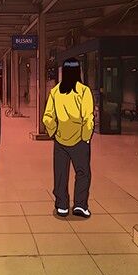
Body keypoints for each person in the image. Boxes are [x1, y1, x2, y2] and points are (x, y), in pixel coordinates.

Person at [42, 59, 94, 216]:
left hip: (60, 140)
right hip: (80, 140)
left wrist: (54, 132)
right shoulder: (84, 91)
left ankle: (62, 205)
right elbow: (88, 117)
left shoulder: (55, 92)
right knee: (83, 173)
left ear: (63, 73)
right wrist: (86, 137)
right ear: (79, 72)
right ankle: (80, 205)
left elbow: (47, 117)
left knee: (60, 173)